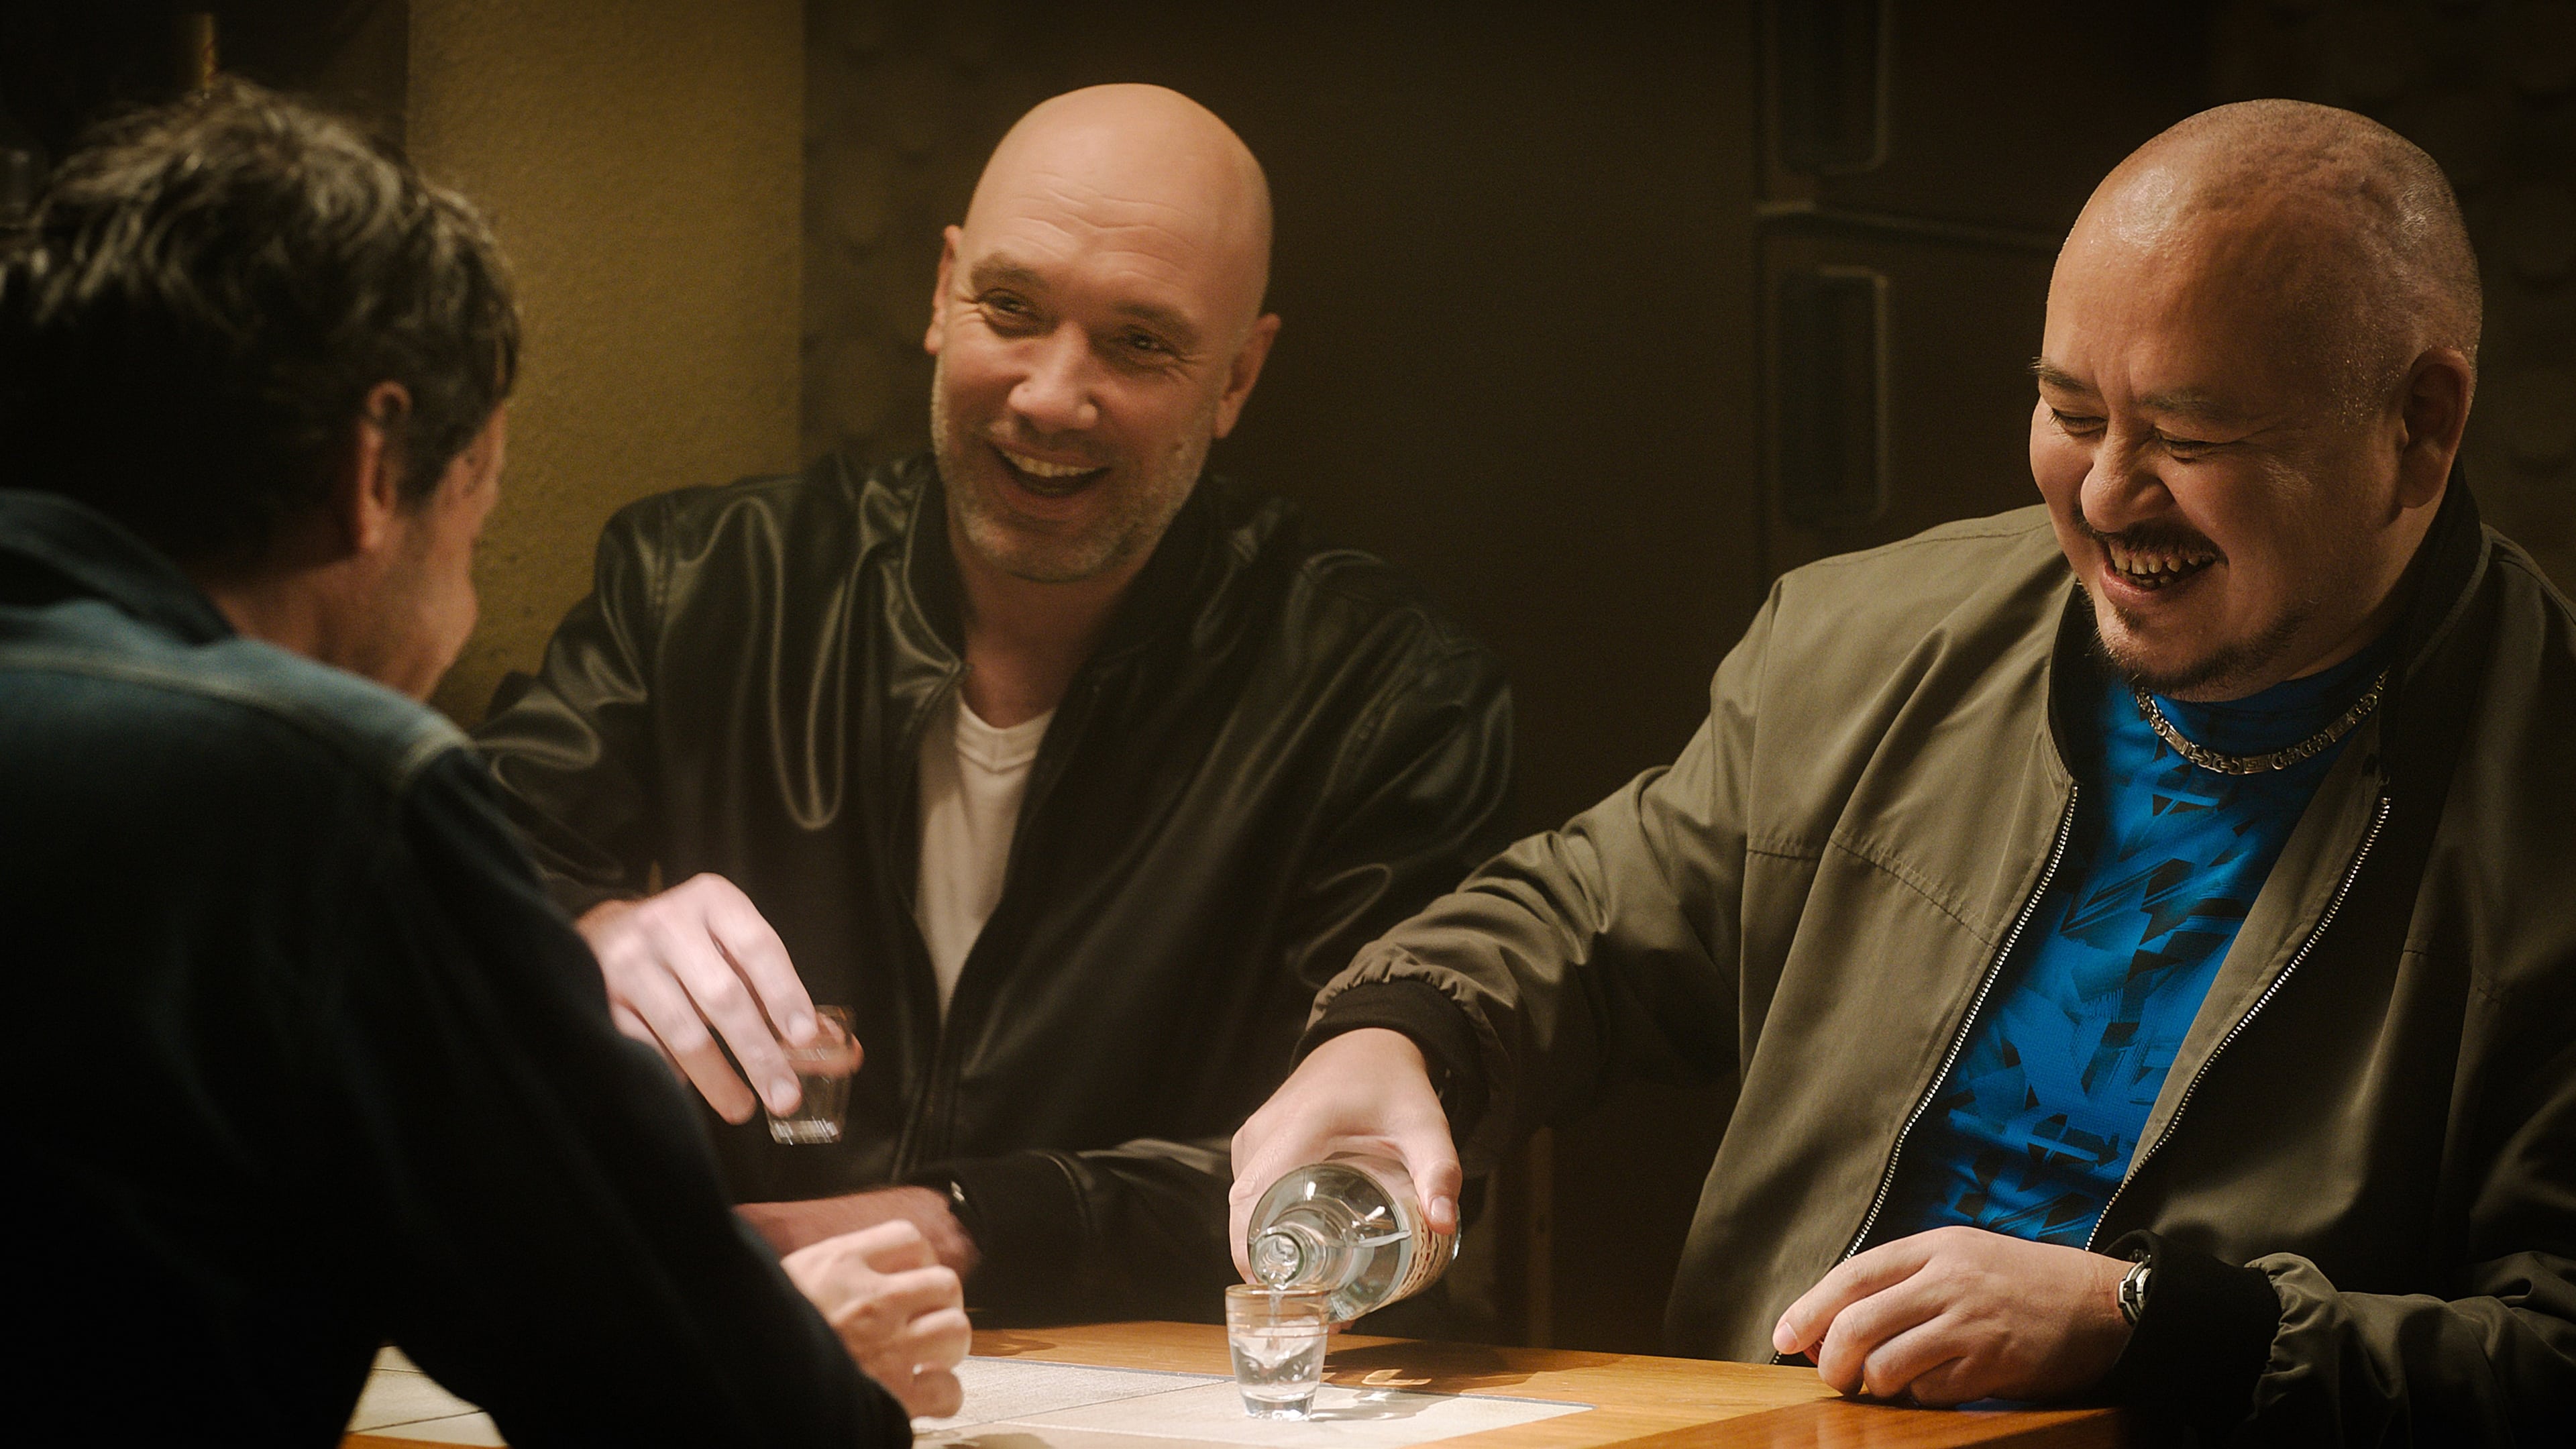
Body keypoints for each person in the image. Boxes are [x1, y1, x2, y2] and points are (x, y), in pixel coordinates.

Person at [1233, 98, 2576, 1442]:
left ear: (2421, 425)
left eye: (2190, 436)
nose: (2105, 494)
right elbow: (1584, 914)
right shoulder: (1865, 647)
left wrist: (2149, 1327)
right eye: (2069, 410)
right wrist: (1395, 1033)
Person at [0, 82, 964, 1444]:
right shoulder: (328, 793)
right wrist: (806, 1359)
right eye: (479, 517)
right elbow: (704, 1415)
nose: (461, 605)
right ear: (374, 465)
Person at [470, 83, 1512, 1322]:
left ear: (1238, 375)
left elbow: (1367, 1162)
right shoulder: (704, 583)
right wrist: (578, 930)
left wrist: (953, 1224)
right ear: (940, 292)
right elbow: (412, 911)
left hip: (1158, 1385)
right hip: (733, 1358)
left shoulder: (1381, 694)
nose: (1051, 396)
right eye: (1011, 309)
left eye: (1140, 342)